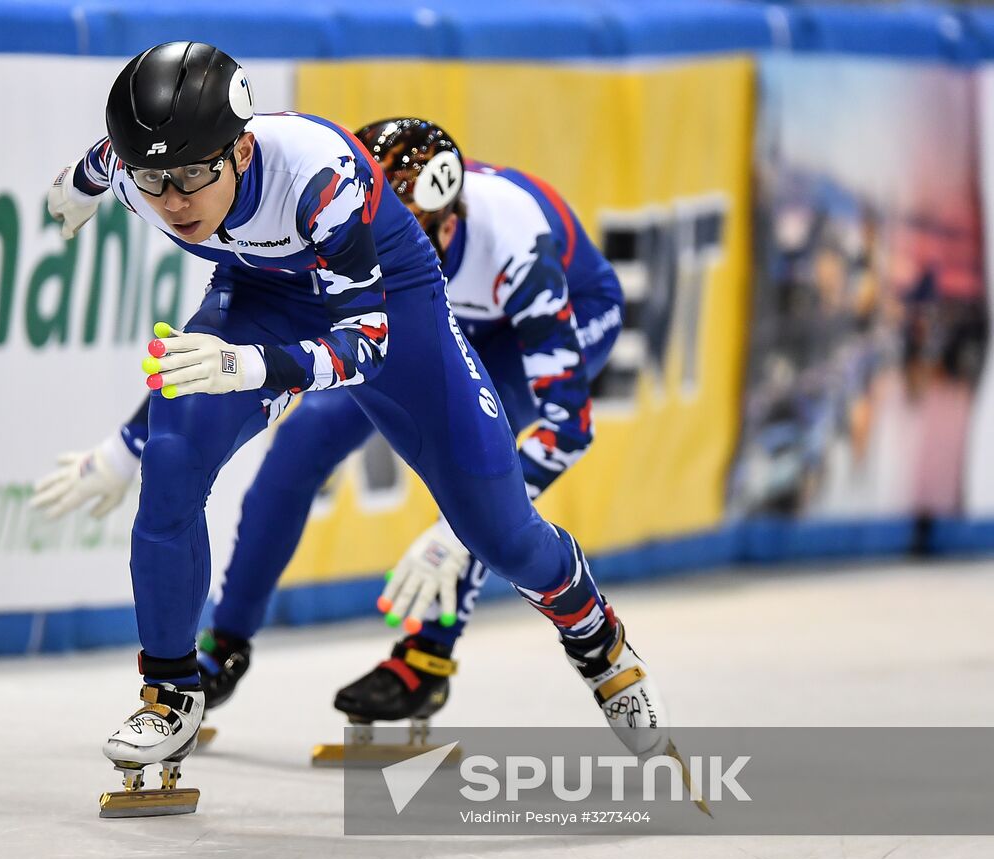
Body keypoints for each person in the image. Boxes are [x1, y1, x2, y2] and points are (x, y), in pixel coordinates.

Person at [42, 41, 667, 815]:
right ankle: (173, 691)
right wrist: (77, 187)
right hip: (263, 290)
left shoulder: (320, 179)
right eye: (153, 181)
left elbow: (366, 345)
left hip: (392, 312)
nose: (174, 201)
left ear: (241, 147)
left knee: (498, 532)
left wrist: (256, 368)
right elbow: (106, 159)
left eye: (194, 176)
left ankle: (597, 638)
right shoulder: (145, 168)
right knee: (172, 461)